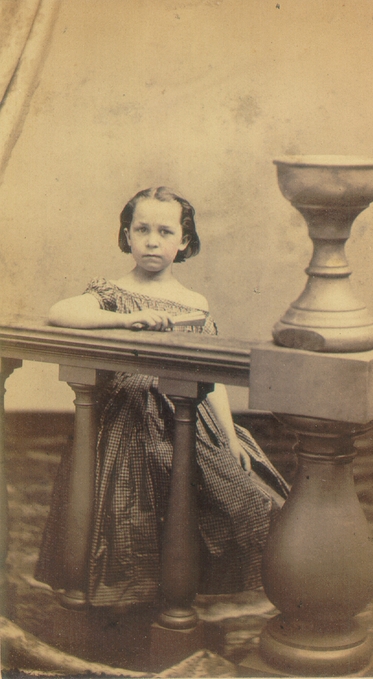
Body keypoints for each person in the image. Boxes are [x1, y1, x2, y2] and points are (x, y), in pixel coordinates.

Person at [35, 186, 289, 607]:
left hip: (187, 415)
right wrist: (129, 319)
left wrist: (229, 437)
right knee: (130, 510)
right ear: (127, 236)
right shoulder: (113, 294)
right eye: (142, 229)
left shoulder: (193, 303)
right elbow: (59, 312)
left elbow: (213, 380)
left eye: (165, 231)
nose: (152, 241)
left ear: (184, 241)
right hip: (127, 418)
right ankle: (130, 602)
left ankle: (186, 590)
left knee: (233, 497)